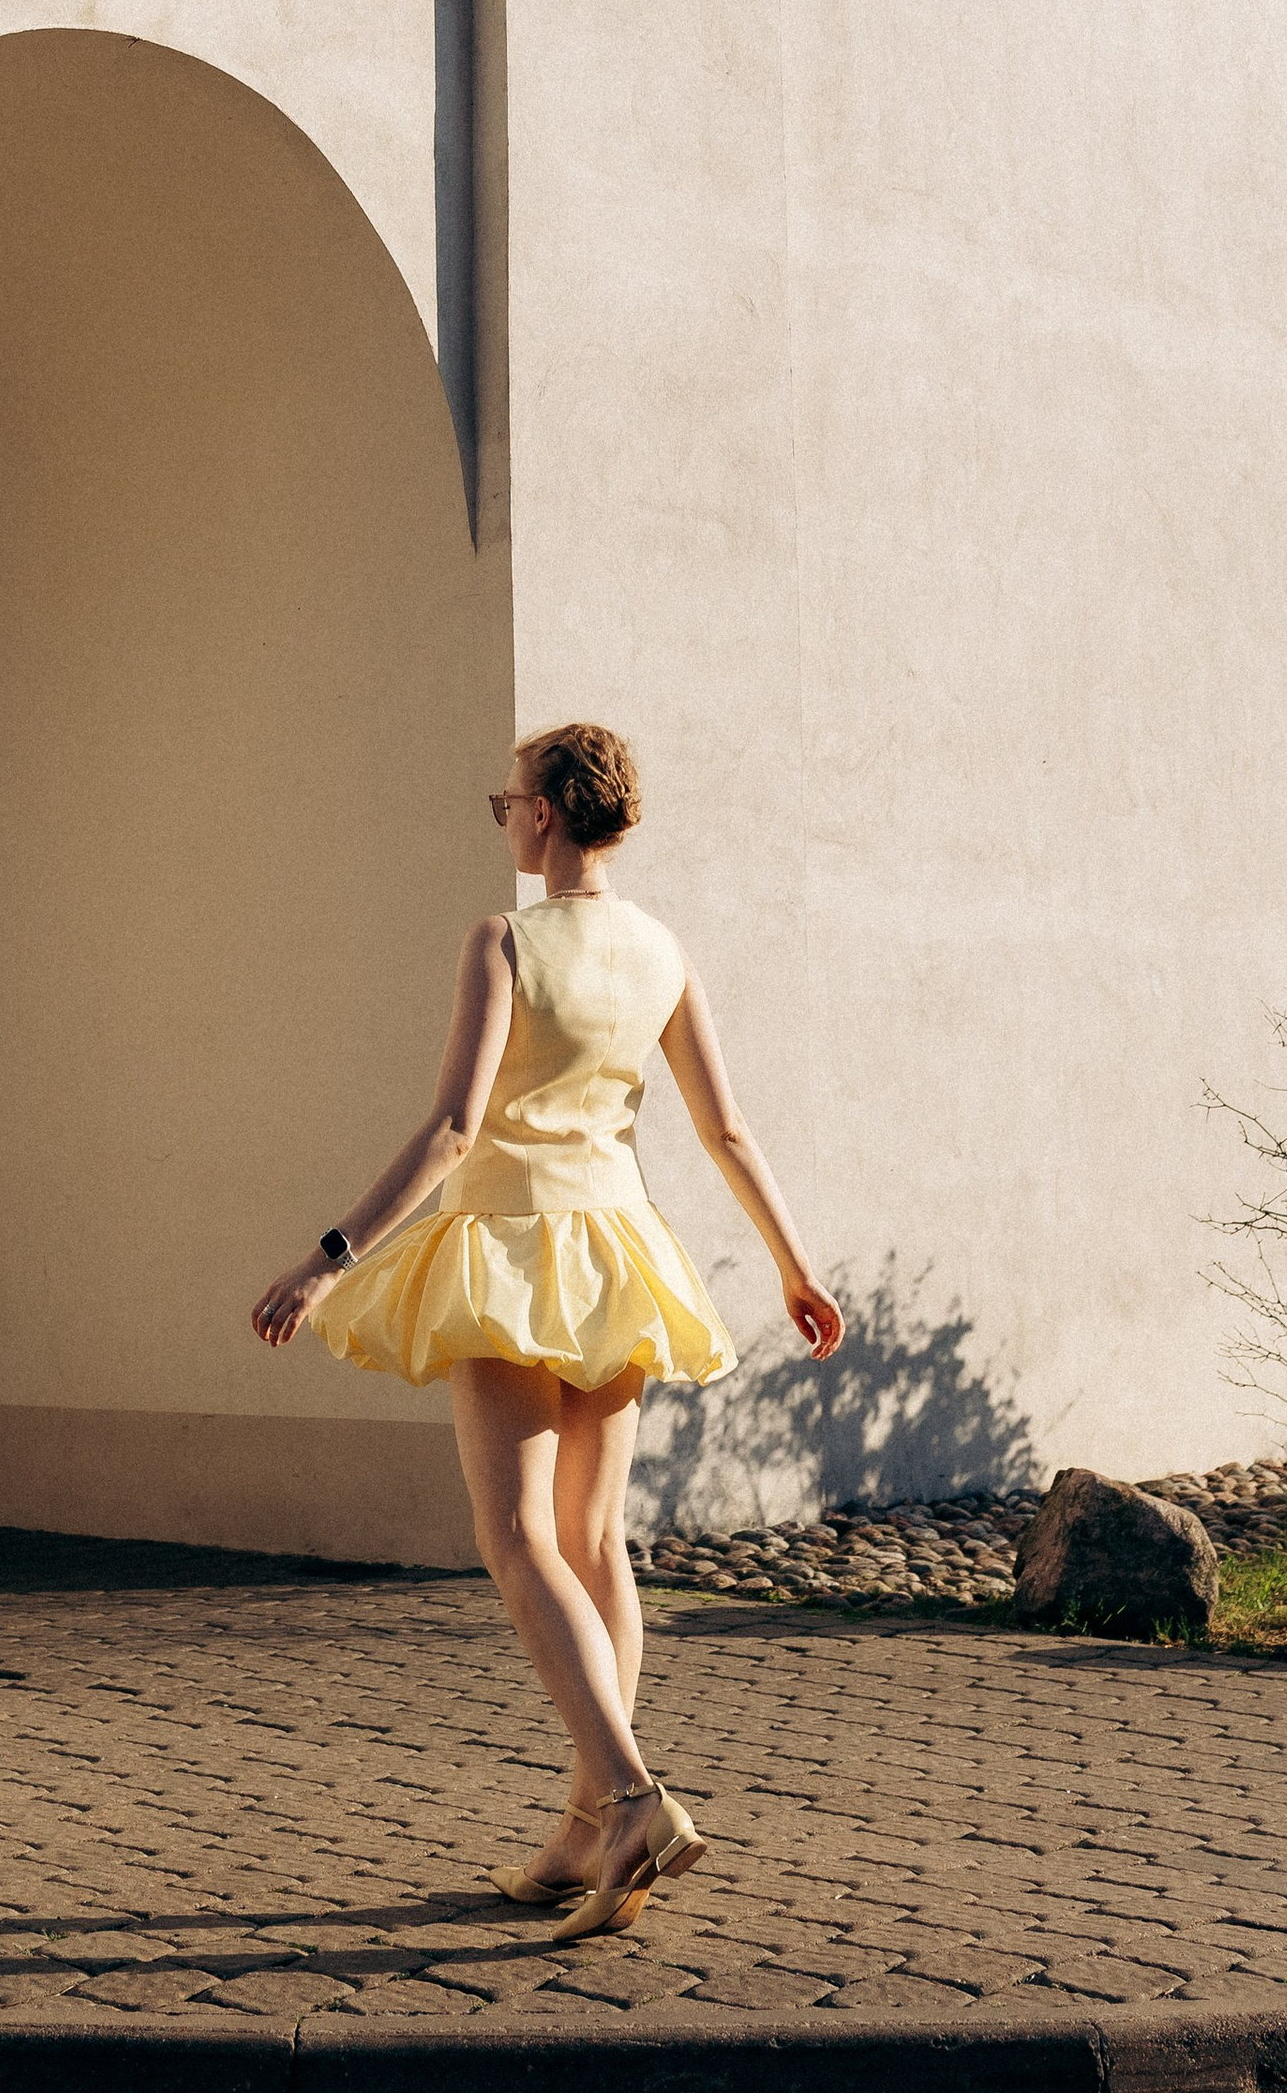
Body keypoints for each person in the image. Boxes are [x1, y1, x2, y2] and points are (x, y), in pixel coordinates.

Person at [250, 721, 843, 1944]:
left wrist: (325, 1260)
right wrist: (794, 1264)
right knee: (593, 1541)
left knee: (519, 1536)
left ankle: (629, 1800)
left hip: (512, 1250)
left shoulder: (504, 939)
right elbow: (726, 1131)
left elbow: (455, 1130)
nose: (504, 815)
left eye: (508, 798)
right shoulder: (661, 950)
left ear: (548, 812)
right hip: (618, 1253)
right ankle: (585, 1826)